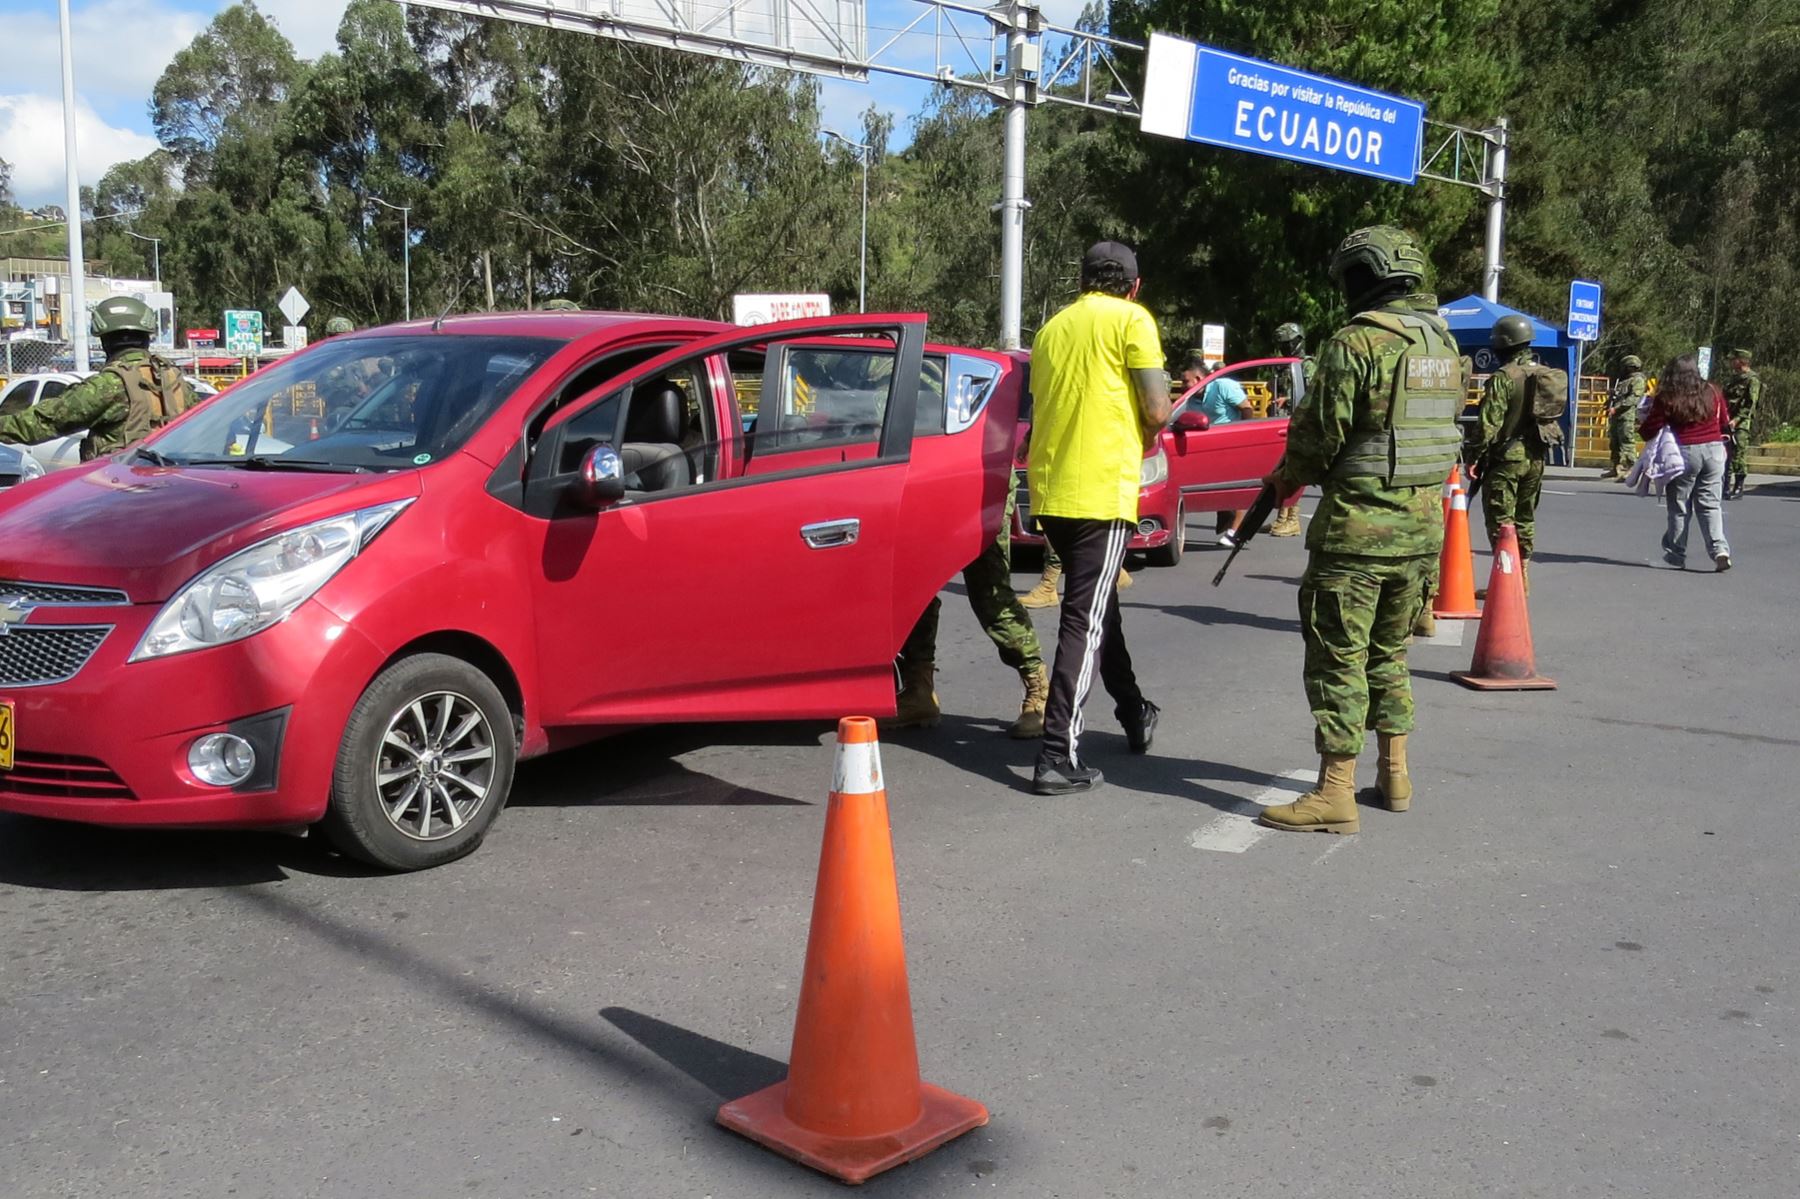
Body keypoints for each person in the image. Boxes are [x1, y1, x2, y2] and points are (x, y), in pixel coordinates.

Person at [1256, 226, 1461, 835]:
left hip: (1358, 538)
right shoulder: (1443, 345)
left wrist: (1281, 482)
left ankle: (1334, 793)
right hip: (1423, 536)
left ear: (1361, 277)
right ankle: (1394, 774)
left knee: (1338, 660)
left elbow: (1318, 440)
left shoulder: (1357, 342)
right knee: (1389, 656)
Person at [1024, 240, 1169, 794]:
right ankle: (1057, 753)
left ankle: (1134, 712)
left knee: (1098, 607)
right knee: (1083, 621)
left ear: (1083, 281)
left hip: (1052, 489)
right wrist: (1149, 431)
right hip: (1101, 492)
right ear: (1133, 285)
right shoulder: (1133, 319)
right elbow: (1157, 409)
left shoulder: (1051, 330)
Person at [887, 491, 1050, 738]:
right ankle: (918, 691)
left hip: (981, 488)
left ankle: (1039, 692)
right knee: (915, 590)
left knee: (991, 595)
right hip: (925, 487)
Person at [0, 296, 194, 459]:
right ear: (146, 336)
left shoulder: (110, 384)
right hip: (176, 487)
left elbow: (44, 422)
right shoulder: (174, 379)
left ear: (105, 341)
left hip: (120, 489)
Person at [1470, 314, 1548, 591]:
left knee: (1501, 521)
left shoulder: (1503, 378)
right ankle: (1522, 576)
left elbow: (1488, 425)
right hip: (1536, 457)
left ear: (1503, 344)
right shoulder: (1542, 374)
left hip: (1506, 459)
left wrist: (1473, 457)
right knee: (1525, 517)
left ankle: (1506, 583)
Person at [1639, 354, 1732, 571]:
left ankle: (1675, 556)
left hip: (1685, 452)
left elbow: (1650, 428)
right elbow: (1724, 421)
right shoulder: (1713, 391)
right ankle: (1720, 549)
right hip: (1715, 451)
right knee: (1710, 504)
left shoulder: (1668, 396)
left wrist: (1642, 423)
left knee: (1679, 506)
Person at [1269, 322, 1316, 537]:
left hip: (1299, 422)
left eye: (1290, 344)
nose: (1287, 348)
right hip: (1281, 423)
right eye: (1283, 345)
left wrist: (1287, 399)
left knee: (1293, 469)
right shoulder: (1284, 365)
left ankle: (1291, 519)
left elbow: (1310, 394)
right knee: (1279, 469)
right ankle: (1282, 517)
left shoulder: (1307, 366)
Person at [1720, 348, 1760, 499]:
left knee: (1738, 453)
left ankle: (1739, 485)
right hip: (1726, 420)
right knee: (1726, 453)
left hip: (1741, 423)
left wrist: (1737, 420)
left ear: (1741, 361)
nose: (1731, 362)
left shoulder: (1752, 380)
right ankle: (1725, 485)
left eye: (1734, 359)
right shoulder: (1732, 379)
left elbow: (1750, 404)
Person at [1604, 354, 1647, 480]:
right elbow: (1619, 397)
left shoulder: (1638, 380)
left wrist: (1616, 408)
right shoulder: (1623, 381)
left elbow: (1633, 399)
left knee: (1627, 442)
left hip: (1626, 416)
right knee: (1614, 443)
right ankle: (1615, 467)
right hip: (1616, 416)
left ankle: (1632, 468)